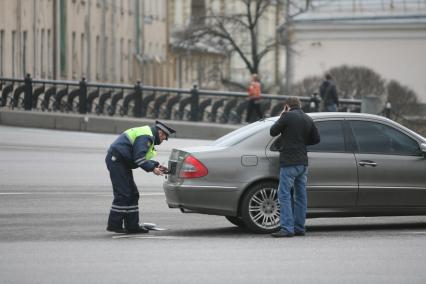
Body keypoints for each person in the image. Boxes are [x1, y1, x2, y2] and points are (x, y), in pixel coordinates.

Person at [105, 121, 176, 234]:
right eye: (164, 138)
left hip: (122, 162)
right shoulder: (146, 137)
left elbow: (139, 156)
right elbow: (138, 158)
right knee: (124, 193)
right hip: (117, 161)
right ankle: (114, 224)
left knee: (133, 194)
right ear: (160, 132)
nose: (162, 141)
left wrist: (156, 165)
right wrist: (153, 169)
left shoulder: (148, 136)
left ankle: (132, 226)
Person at [269, 97, 320, 238]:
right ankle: (299, 227)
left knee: (284, 195)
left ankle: (287, 228)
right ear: (300, 105)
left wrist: (282, 116)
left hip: (289, 162)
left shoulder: (286, 117)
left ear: (287, 106)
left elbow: (273, 131)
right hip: (303, 163)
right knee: (301, 196)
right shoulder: (308, 118)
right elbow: (316, 139)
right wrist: (301, 142)